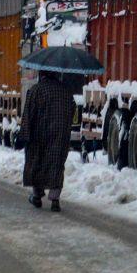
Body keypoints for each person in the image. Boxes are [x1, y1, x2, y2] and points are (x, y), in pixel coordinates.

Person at [20, 71, 78, 212]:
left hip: (39, 135)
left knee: (37, 163)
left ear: (42, 74)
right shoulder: (66, 92)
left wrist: (24, 136)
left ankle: (37, 196)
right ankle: (55, 199)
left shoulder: (36, 90)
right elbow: (73, 112)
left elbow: (28, 114)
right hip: (60, 135)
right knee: (56, 165)